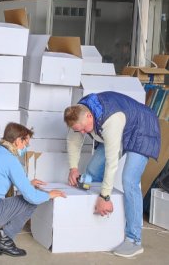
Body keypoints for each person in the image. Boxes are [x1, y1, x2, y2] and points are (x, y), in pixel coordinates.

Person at [63, 91, 161, 258]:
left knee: (129, 180)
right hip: (121, 128)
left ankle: (134, 239)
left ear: (89, 116)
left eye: (84, 129)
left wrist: (105, 196)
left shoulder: (111, 120)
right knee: (92, 171)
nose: (82, 133)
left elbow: (111, 162)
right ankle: (99, 224)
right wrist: (73, 168)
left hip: (142, 129)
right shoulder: (77, 113)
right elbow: (73, 141)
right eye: (78, 130)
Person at [0, 123, 65, 257]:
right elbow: (32, 197)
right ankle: (5, 240)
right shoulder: (10, 160)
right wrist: (49, 194)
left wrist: (27, 183)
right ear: (17, 140)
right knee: (30, 202)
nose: (26, 147)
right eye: (25, 143)